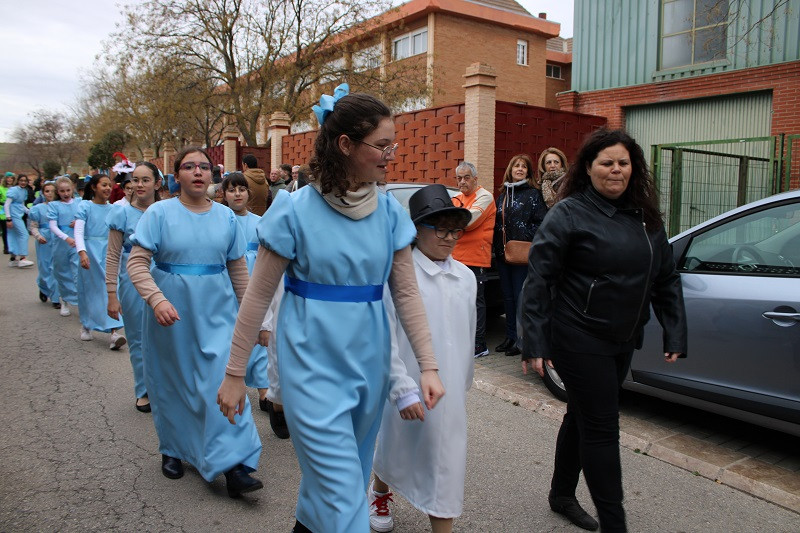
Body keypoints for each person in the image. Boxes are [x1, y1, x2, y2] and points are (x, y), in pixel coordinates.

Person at [217, 84, 445, 532]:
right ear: (345, 145)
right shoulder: (292, 211)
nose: (390, 155)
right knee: (344, 502)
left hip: (369, 369)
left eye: (392, 144)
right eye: (382, 145)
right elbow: (257, 298)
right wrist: (234, 373)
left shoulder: (389, 213)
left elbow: (406, 295)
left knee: (341, 487)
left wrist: (429, 366)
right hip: (311, 369)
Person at [520, 129, 688, 532]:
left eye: (623, 163)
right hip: (578, 334)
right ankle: (616, 524)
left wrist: (674, 331)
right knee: (601, 425)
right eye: (607, 162)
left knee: (581, 415)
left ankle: (561, 494)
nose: (616, 170)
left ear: (634, 168)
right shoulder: (569, 213)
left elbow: (665, 277)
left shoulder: (646, 216)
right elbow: (539, 279)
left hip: (623, 337)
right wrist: (535, 342)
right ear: (589, 168)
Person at [126, 147, 262, 498]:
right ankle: (174, 450)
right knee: (175, 383)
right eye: (189, 167)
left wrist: (252, 316)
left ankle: (235, 465)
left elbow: (237, 270)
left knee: (223, 381)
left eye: (204, 167)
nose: (198, 172)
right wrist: (157, 300)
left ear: (212, 175)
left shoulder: (226, 217)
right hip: (171, 313)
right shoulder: (158, 213)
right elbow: (137, 264)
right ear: (177, 176)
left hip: (217, 312)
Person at [370, 184, 475, 533]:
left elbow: (469, 331)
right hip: (407, 379)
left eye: (455, 230)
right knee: (395, 442)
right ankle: (380, 490)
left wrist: (464, 381)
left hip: (450, 388)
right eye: (440, 228)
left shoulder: (466, 277)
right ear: (416, 230)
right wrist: (398, 385)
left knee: (446, 462)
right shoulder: (400, 276)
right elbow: (385, 334)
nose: (449, 238)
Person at [106, 162, 162, 413]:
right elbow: (112, 255)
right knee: (138, 339)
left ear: (157, 184)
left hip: (164, 279)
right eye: (135, 180)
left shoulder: (166, 211)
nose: (139, 185)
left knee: (166, 338)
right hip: (132, 283)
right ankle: (143, 390)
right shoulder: (121, 214)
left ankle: (166, 388)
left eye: (145, 180)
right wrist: (111, 293)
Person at [220, 172, 271, 412]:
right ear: (224, 195)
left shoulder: (260, 221)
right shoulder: (220, 220)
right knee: (232, 335)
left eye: (241, 189)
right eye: (231, 190)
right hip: (228, 287)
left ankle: (264, 391)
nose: (237, 194)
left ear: (249, 193)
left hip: (255, 284)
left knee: (258, 335)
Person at [492, 154, 547, 357]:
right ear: (510, 169)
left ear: (528, 171)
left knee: (520, 297)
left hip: (521, 253)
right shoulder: (503, 194)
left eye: (524, 166)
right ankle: (510, 336)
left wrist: (521, 236)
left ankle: (520, 340)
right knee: (507, 298)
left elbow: (541, 223)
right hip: (502, 253)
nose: (520, 169)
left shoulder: (534, 195)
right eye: (516, 165)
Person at [74, 174, 126, 348]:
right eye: (103, 185)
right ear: (94, 187)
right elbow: (79, 231)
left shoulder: (114, 209)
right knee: (90, 289)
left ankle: (113, 332)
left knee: (110, 287)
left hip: (109, 251)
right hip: (90, 252)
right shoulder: (85, 206)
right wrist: (82, 252)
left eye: (109, 186)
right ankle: (87, 325)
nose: (107, 189)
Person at [451, 161, 496, 358]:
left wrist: (454, 221)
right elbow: (448, 221)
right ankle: (464, 341)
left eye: (466, 177)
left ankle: (479, 345)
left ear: (475, 179)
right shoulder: (456, 198)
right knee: (459, 302)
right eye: (459, 178)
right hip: (455, 257)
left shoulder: (485, 196)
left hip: (475, 259)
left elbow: (467, 221)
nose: (462, 182)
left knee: (475, 303)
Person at [47, 176, 82, 316]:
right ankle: (65, 301)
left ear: (72, 189)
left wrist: (78, 222)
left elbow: (85, 217)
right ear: (58, 192)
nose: (66, 193)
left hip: (77, 241)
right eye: (62, 191)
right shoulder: (54, 205)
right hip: (61, 243)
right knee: (62, 272)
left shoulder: (79, 202)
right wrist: (66, 238)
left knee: (77, 272)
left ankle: (81, 301)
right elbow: (53, 226)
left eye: (68, 190)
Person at [27, 181, 61, 307]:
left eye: (53, 191)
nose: (50, 194)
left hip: (57, 239)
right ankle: (43, 286)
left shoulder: (59, 206)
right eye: (47, 191)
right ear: (43, 193)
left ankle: (55, 297)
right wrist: (38, 236)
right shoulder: (38, 209)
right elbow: (33, 226)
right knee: (45, 267)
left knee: (55, 268)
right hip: (44, 240)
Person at [4, 173, 34, 267]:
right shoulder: (13, 190)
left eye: (25, 181)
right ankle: (22, 258)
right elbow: (7, 204)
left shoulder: (24, 191)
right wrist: (8, 218)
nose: (23, 182)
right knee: (24, 234)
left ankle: (13, 259)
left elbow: (21, 205)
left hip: (18, 214)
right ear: (18, 181)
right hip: (13, 216)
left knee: (14, 235)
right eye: (21, 180)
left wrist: (29, 212)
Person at [1, 172, 14, 254]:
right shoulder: (1, 188)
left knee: (11, 230)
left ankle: (11, 245)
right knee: (5, 230)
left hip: (12, 210)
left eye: (11, 178)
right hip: (2, 210)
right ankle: (6, 247)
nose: (9, 179)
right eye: (8, 178)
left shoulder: (14, 188)